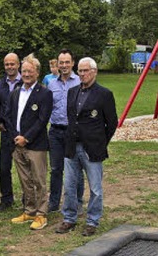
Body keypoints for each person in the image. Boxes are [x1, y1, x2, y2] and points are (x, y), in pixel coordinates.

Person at [56, 57, 118, 237]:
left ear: (94, 72)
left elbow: (112, 123)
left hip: (92, 149)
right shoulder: (72, 92)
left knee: (95, 189)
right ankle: (69, 218)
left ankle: (92, 221)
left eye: (86, 71)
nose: (82, 74)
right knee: (69, 185)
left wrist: (100, 142)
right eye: (80, 71)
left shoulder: (104, 94)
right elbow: (71, 118)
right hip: (72, 147)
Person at [5, 54, 53, 230]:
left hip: (36, 145)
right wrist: (16, 136)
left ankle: (41, 214)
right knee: (25, 180)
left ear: (37, 73)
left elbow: (42, 120)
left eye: (29, 71)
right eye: (23, 70)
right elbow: (7, 116)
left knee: (39, 181)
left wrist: (27, 138)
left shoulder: (45, 93)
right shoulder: (16, 92)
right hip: (17, 144)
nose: (26, 74)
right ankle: (30, 211)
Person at [46, 49, 84, 213]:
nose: (64, 65)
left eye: (67, 62)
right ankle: (54, 203)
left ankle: (78, 202)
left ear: (73, 63)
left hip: (73, 132)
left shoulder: (79, 82)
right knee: (55, 169)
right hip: (55, 131)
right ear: (57, 64)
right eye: (61, 62)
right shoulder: (52, 83)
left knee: (76, 168)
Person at [0, 53, 22, 211]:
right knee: (4, 167)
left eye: (12, 64)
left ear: (18, 64)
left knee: (25, 168)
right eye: (7, 64)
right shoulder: (0, 84)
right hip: (5, 132)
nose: (9, 67)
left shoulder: (25, 82)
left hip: (21, 132)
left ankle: (28, 198)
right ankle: (6, 199)